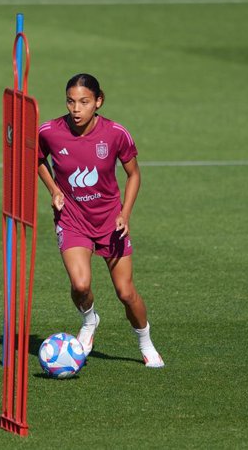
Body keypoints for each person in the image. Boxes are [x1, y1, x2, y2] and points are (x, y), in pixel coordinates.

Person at [37, 73, 164, 368]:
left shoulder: (116, 134)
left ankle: (145, 342)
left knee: (126, 292)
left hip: (110, 222)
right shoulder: (49, 131)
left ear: (98, 101)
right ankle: (89, 320)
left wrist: (125, 214)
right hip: (72, 219)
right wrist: (54, 189)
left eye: (84, 102)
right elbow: (37, 159)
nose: (76, 109)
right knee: (80, 285)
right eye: (71, 102)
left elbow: (134, 175)